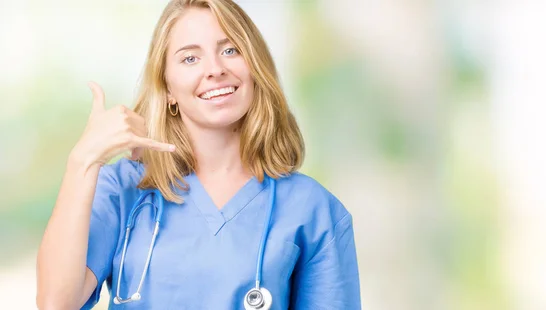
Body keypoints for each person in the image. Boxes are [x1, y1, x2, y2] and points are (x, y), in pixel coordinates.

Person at [36, 0, 361, 309]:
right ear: (168, 90)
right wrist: (83, 160)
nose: (215, 69)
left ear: (255, 67)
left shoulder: (313, 210)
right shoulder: (122, 189)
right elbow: (56, 304)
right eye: (190, 58)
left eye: (231, 50)